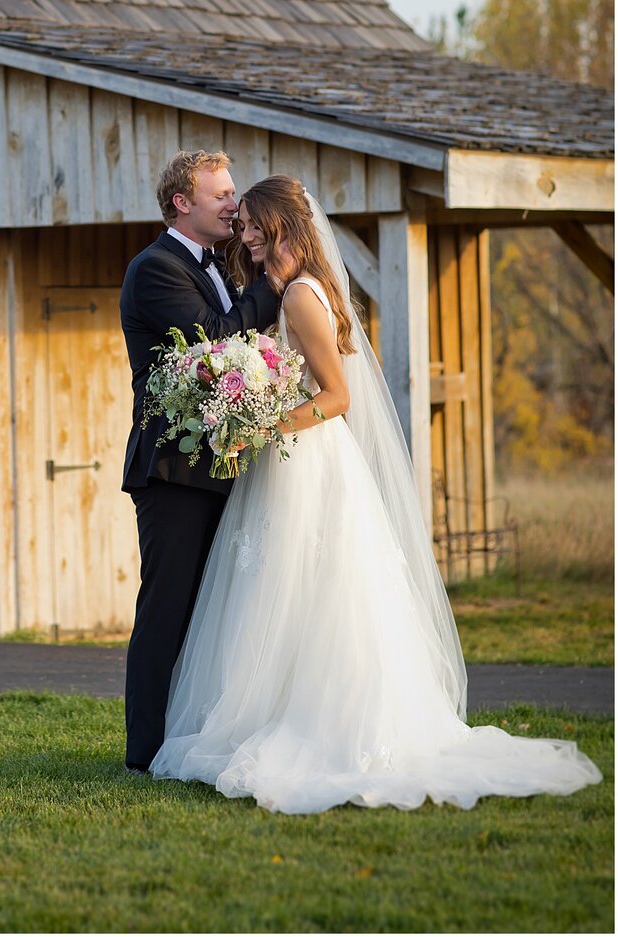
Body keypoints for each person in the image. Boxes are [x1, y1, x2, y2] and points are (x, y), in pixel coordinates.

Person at [150, 175, 602, 813]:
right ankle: (268, 713)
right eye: (242, 222)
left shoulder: (303, 295)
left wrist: (260, 424)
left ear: (281, 226)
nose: (244, 236)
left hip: (307, 465)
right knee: (279, 594)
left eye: (253, 225)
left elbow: (337, 397)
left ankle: (323, 727)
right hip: (287, 465)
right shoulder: (291, 289)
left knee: (313, 593)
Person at [119, 150, 281, 774]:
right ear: (182, 203)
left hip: (219, 462)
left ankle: (195, 740)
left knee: (215, 612)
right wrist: (271, 288)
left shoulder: (219, 266)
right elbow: (211, 345)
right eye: (220, 194)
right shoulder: (155, 269)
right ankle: (145, 753)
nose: (233, 203)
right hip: (172, 470)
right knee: (167, 609)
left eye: (234, 191)